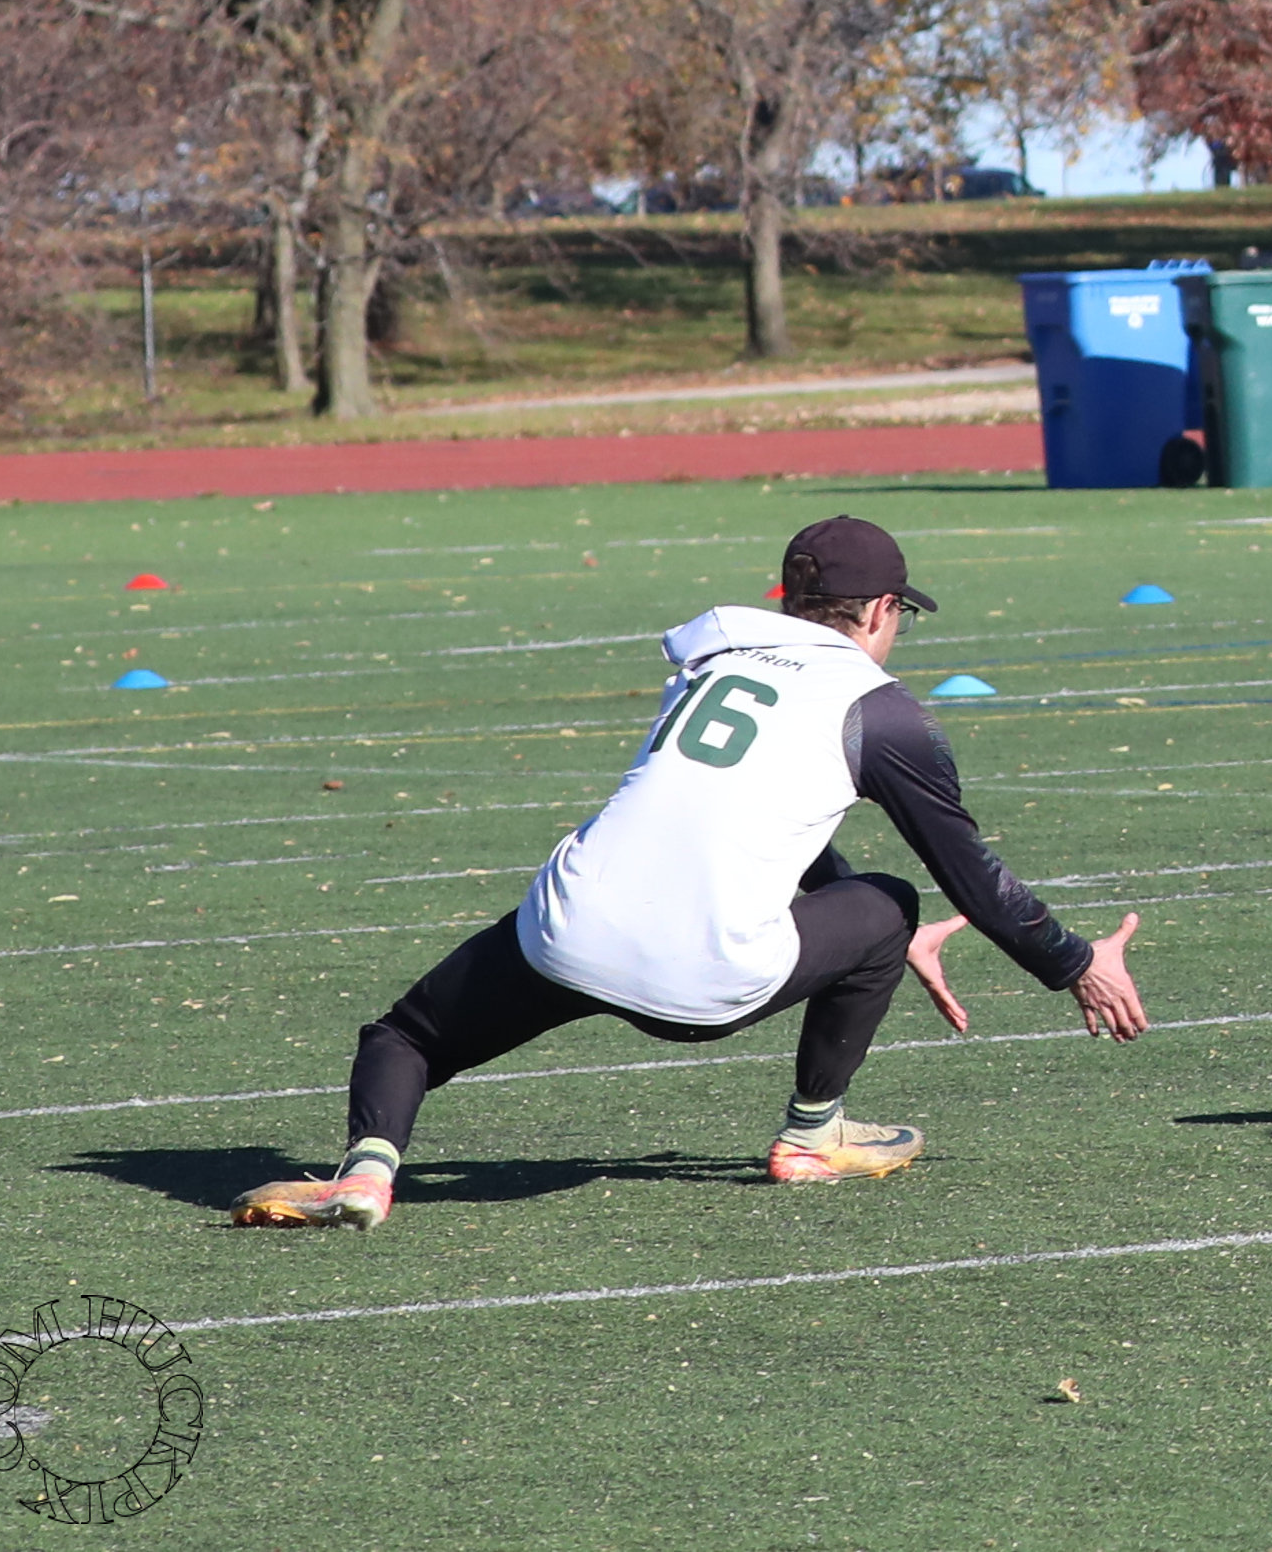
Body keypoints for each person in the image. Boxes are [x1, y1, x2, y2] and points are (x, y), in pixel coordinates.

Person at [232, 515, 1148, 1229]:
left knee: (404, 1036)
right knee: (892, 900)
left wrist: (856, 926)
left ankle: (367, 1171)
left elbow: (740, 808)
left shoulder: (712, 661)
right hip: (705, 981)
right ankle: (811, 1136)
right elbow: (972, 876)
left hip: (566, 933)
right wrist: (1077, 964)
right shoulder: (881, 711)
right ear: (879, 611)